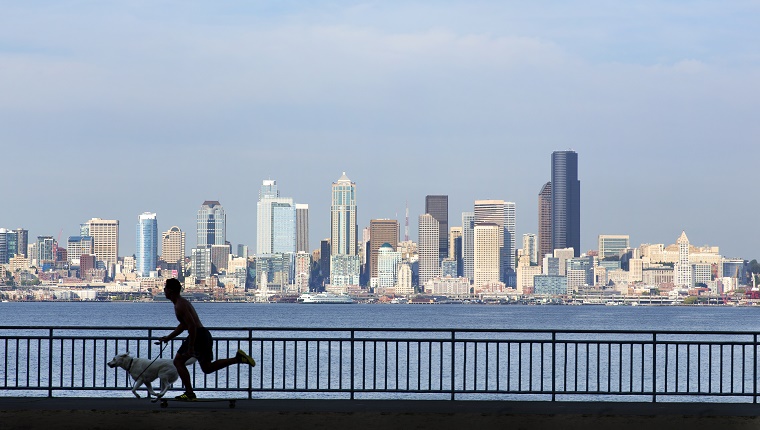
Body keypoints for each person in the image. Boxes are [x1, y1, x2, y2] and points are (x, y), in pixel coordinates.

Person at [159, 278, 256, 401]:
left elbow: (192, 326)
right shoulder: (181, 303)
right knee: (207, 368)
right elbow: (184, 325)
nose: (164, 291)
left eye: (165, 288)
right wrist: (169, 337)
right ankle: (238, 358)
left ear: (170, 291)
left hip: (198, 335)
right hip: (203, 335)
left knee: (178, 362)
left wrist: (190, 347)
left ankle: (189, 393)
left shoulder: (180, 305)